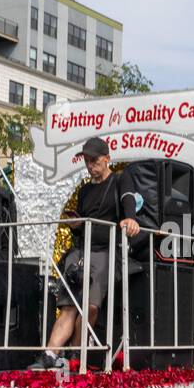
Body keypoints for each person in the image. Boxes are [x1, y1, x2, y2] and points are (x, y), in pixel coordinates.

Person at [30, 136, 140, 370]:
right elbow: (82, 217)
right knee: (69, 305)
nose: (90, 166)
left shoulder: (121, 179)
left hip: (104, 252)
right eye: (87, 161)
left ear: (107, 159)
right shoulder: (85, 190)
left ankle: (76, 356)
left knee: (90, 306)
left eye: (95, 160)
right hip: (81, 251)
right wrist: (76, 223)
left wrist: (130, 217)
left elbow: (128, 199)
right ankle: (50, 354)